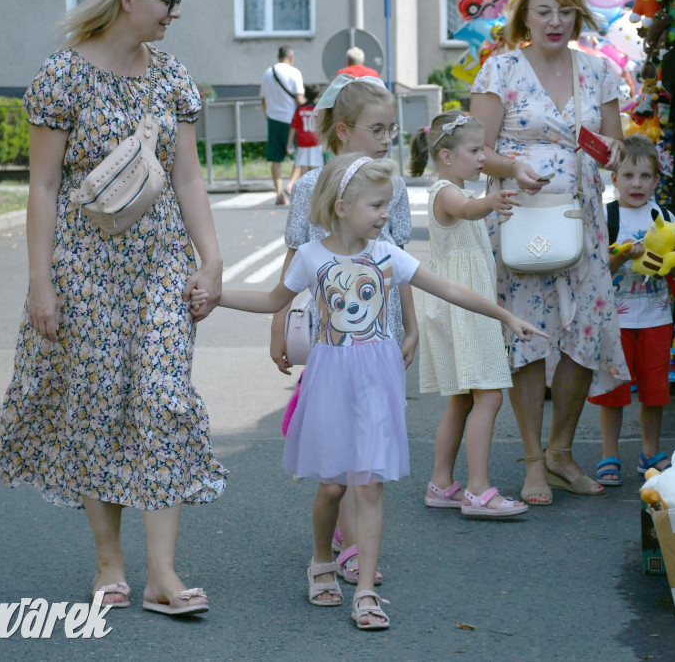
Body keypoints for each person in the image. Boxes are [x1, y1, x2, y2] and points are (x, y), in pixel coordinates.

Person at [219, 153, 545, 629]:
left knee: (368, 486)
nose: (384, 215)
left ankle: (366, 590)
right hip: (331, 381)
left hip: (377, 380)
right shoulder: (312, 257)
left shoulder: (388, 254)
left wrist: (505, 316)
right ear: (341, 204)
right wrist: (216, 297)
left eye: (386, 205)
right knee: (332, 486)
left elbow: (449, 289)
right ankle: (320, 560)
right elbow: (271, 300)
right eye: (376, 205)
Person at [0, 0, 225, 617]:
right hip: (84, 271)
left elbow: (188, 175)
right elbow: (42, 186)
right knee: (96, 407)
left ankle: (162, 573)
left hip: (159, 269)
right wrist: (42, 281)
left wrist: (212, 258)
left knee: (164, 399)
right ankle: (109, 563)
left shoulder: (173, 78)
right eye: (168, 1)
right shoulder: (62, 77)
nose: (176, 14)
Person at [470, 0, 629, 506]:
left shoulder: (599, 70)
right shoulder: (501, 69)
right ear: (526, 17)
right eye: (544, 12)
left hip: (582, 221)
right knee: (529, 336)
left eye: (565, 11)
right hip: (522, 220)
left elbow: (616, 144)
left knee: (586, 332)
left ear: (578, 15)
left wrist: (609, 151)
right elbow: (475, 150)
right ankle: (534, 460)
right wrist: (514, 165)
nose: (555, 21)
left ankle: (562, 451)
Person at [269, 73, 417, 587]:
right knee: (342, 448)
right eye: (377, 130)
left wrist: (411, 326)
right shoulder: (311, 186)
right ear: (343, 132)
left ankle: (354, 541)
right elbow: (294, 259)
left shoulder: (389, 186)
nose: (385, 140)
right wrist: (277, 329)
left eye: (391, 132)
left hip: (381, 330)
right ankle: (345, 544)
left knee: (372, 445)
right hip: (332, 334)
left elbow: (399, 260)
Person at [408, 112, 528, 518]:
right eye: (475, 150)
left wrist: (487, 202)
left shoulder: (449, 187)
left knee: (462, 401)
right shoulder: (446, 191)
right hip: (464, 310)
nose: (483, 157)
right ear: (445, 155)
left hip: (458, 308)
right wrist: (490, 202)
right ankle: (478, 489)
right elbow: (466, 209)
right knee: (489, 395)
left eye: (484, 149)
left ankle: (442, 482)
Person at [588, 135, 675, 485]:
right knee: (613, 391)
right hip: (615, 321)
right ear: (614, 179)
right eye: (628, 175)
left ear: (657, 181)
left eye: (645, 176)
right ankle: (609, 454)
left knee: (654, 390)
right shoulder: (606, 216)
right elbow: (598, 269)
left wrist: (666, 261)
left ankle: (650, 452)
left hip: (657, 318)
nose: (637, 184)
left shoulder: (665, 217)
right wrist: (622, 255)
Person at [261, 45, 305, 205]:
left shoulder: (268, 73)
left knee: (276, 159)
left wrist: (269, 116)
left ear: (278, 56)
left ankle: (279, 194)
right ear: (291, 57)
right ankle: (291, 184)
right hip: (292, 120)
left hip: (273, 119)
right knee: (300, 155)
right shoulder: (294, 72)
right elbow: (299, 100)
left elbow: (264, 100)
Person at [284, 82, 322, 194]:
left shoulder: (299, 109)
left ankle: (304, 191)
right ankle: (315, 191)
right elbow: (321, 126)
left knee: (303, 167)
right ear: (317, 96)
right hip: (315, 142)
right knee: (316, 167)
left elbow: (293, 126)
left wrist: (290, 142)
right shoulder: (318, 109)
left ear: (304, 95)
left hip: (302, 142)